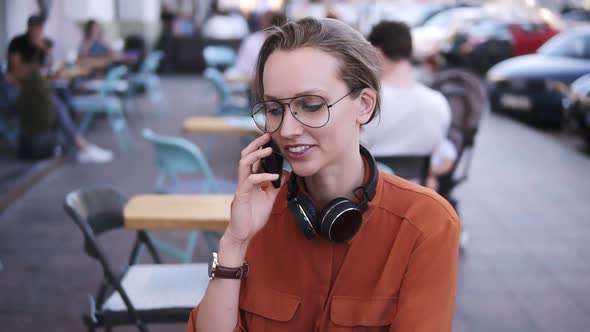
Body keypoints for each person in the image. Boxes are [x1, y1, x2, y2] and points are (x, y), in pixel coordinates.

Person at [188, 17, 460, 331]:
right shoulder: (258, 213)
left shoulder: (426, 224)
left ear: (364, 106)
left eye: (312, 105)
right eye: (275, 110)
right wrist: (234, 243)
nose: (287, 130)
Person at [7, 15, 113, 163]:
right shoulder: (18, 42)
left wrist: (42, 48)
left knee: (64, 96)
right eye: (35, 27)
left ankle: (61, 141)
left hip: (39, 87)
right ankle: (81, 145)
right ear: (29, 27)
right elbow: (14, 70)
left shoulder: (43, 42)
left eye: (40, 28)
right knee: (55, 103)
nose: (37, 31)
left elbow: (50, 65)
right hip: (23, 90)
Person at [363, 21, 455, 190]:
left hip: (367, 193)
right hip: (416, 195)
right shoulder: (438, 102)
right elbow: (445, 159)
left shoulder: (365, 100)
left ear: (377, 53)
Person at [226, 11, 287, 77]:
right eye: (268, 21)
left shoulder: (288, 41)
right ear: (262, 22)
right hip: (252, 83)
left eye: (275, 21)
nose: (272, 25)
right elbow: (243, 69)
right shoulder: (251, 41)